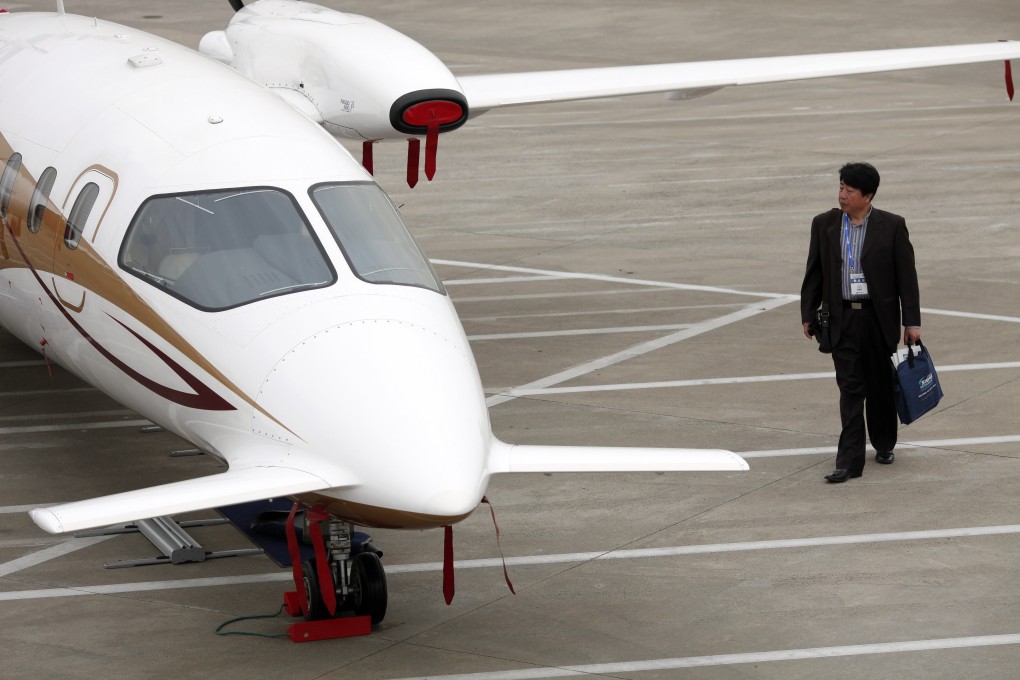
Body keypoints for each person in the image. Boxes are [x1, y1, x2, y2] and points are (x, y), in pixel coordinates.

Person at [800, 162, 921, 483]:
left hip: (877, 319)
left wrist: (912, 322)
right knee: (850, 389)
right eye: (840, 187)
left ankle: (883, 442)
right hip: (840, 318)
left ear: (867, 196)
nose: (842, 195)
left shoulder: (892, 226)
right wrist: (807, 314)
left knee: (880, 387)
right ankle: (849, 462)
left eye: (849, 190)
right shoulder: (824, 224)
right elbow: (814, 271)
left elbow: (906, 278)